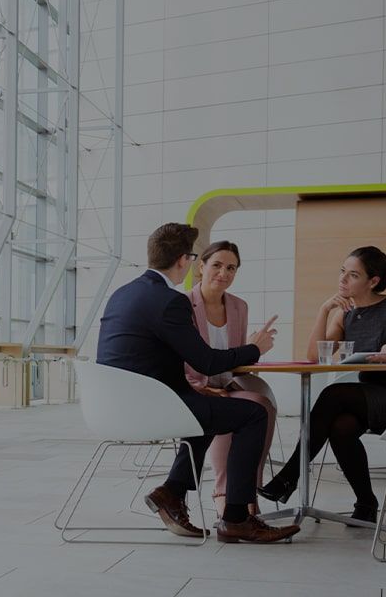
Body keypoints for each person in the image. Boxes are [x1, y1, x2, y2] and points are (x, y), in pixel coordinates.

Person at [97, 223, 299, 543]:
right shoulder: (170, 300)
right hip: (152, 408)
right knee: (253, 413)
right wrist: (255, 348)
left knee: (204, 410)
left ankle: (172, 492)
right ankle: (236, 517)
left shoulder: (123, 293)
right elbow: (206, 360)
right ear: (185, 260)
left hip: (114, 406)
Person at [259, 246, 386, 523]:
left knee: (334, 393)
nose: (343, 280)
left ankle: (289, 477)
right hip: (369, 398)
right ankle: (367, 504)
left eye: (353, 275)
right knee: (340, 427)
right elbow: (314, 356)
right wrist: (325, 310)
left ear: (373, 281)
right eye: (342, 272)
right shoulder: (344, 313)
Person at [184, 241, 278, 516]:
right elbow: (179, 358)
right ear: (201, 267)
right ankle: (224, 493)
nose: (223, 273)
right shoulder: (184, 305)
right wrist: (202, 388)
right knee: (236, 411)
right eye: (217, 265)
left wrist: (254, 347)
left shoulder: (239, 306)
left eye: (231, 268)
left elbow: (237, 359)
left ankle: (246, 490)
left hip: (226, 382)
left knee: (262, 403)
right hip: (194, 385)